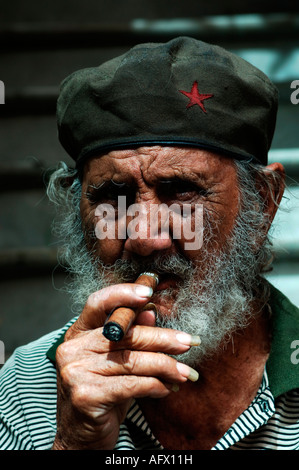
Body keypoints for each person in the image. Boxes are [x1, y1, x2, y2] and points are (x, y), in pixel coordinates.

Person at [1, 36, 299, 451]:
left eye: (182, 191)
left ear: (263, 206)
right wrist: (74, 443)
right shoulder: (26, 386)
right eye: (112, 196)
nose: (144, 237)